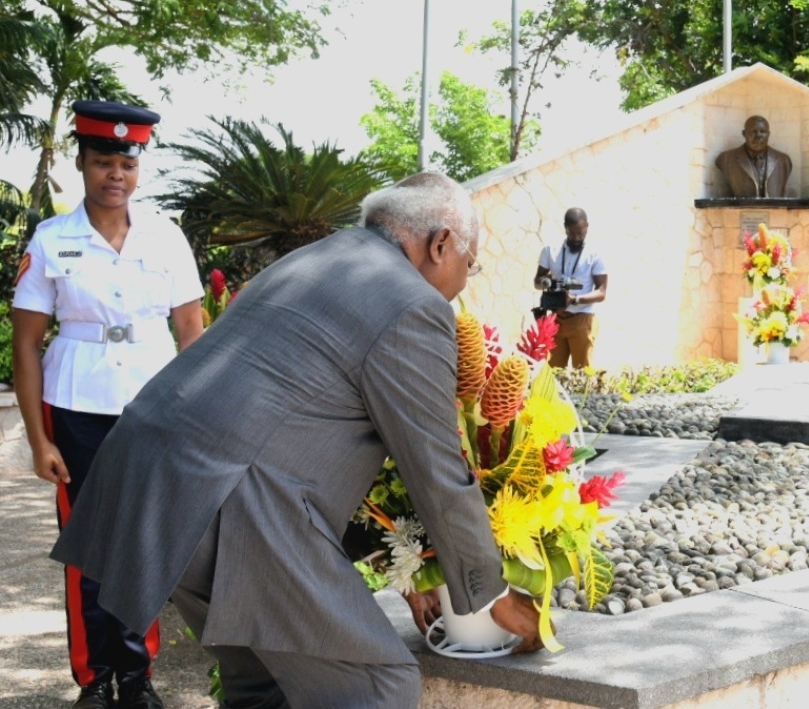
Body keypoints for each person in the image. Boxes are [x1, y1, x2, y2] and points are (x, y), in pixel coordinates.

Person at [51, 172, 544, 709]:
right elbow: (436, 467)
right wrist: (490, 594)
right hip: (228, 502)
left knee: (264, 681)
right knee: (377, 686)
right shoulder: (412, 304)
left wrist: (403, 572)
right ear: (440, 243)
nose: (464, 282)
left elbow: (312, 431)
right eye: (469, 266)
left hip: (148, 479)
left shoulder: (309, 261)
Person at [11, 100, 206, 709]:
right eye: (102, 162)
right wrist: (39, 440)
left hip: (153, 405)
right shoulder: (52, 239)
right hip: (75, 405)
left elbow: (193, 335)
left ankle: (136, 672)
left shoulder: (166, 238)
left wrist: (193, 420)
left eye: (125, 162)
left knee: (141, 540)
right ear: (82, 165)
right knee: (87, 542)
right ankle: (94, 676)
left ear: (138, 169)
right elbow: (25, 342)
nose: (114, 174)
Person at [533, 207, 608, 369]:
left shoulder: (594, 254)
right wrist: (549, 282)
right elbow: (537, 282)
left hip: (582, 319)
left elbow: (602, 292)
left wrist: (574, 299)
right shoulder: (550, 250)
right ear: (565, 227)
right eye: (572, 233)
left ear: (587, 226)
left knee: (582, 374)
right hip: (555, 319)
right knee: (553, 374)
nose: (576, 238)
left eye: (581, 233)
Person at [714, 115, 794, 198]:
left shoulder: (784, 161)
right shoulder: (726, 159)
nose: (758, 135)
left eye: (762, 131)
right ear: (744, 134)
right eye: (753, 131)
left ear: (768, 134)